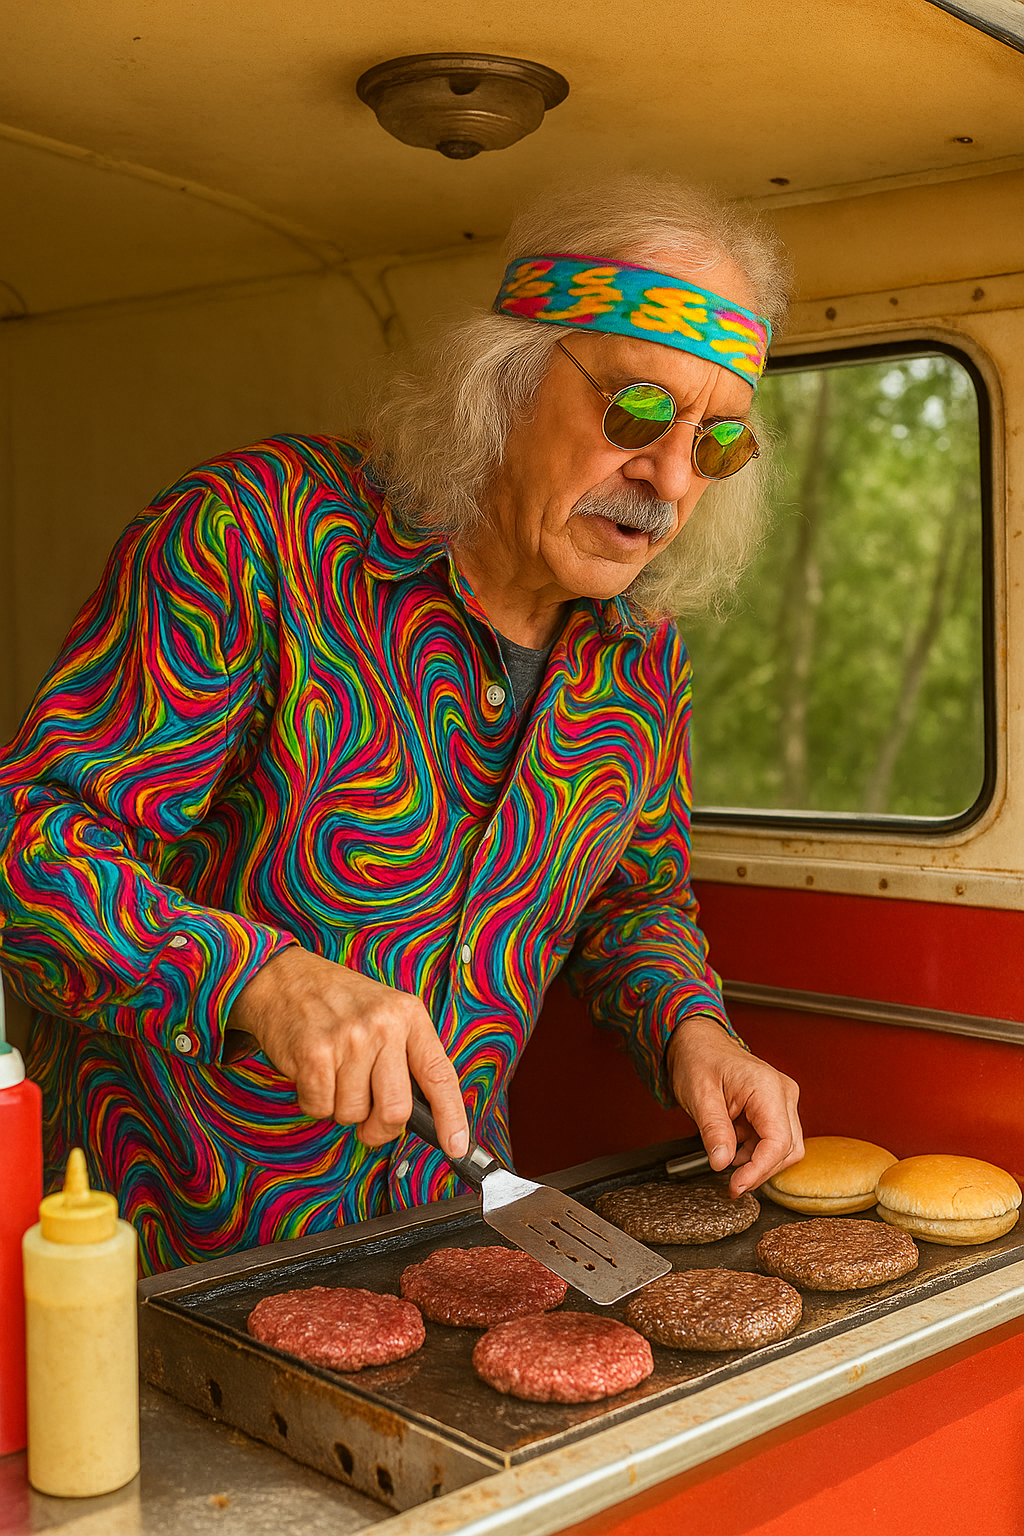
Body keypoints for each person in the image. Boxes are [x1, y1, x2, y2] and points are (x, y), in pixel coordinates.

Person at [0, 174, 803, 1274]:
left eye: (715, 444)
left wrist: (692, 1033)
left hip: (451, 1242)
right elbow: (30, 842)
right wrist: (256, 980)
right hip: (159, 1247)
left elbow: (634, 895)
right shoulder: (257, 535)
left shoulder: (644, 661)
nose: (667, 476)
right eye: (638, 411)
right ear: (508, 380)